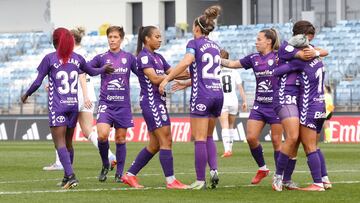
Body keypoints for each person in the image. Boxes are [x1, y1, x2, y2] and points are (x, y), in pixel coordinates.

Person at [21, 27, 113, 189]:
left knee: (60, 143)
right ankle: (66, 177)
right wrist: (104, 69)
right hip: (73, 105)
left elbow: (37, 82)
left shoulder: (49, 58)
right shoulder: (77, 58)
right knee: (69, 143)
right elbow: (91, 72)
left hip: (58, 106)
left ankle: (71, 176)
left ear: (55, 42)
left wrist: (26, 94)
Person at [159, 5, 223, 190]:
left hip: (202, 95)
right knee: (209, 136)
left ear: (196, 28)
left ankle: (200, 180)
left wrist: (167, 78)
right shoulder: (215, 47)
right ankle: (214, 171)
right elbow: (205, 73)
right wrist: (187, 83)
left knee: (200, 138)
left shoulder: (194, 43)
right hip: (217, 94)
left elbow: (187, 61)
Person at [120, 25, 188, 189]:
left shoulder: (159, 57)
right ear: (147, 39)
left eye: (160, 36)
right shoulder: (143, 57)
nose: (160, 39)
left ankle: (129, 175)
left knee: (155, 145)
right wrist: (170, 77)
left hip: (159, 102)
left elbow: (174, 73)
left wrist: (195, 73)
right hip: (152, 103)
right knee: (166, 140)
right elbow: (156, 79)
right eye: (157, 36)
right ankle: (171, 181)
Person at [42, 27, 117, 171]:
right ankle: (110, 155)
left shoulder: (71, 54)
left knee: (60, 128)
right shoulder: (85, 52)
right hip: (89, 93)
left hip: (75, 94)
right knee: (88, 130)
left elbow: (81, 75)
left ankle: (60, 162)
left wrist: (84, 95)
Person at [272, 20, 331, 191]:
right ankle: (324, 179)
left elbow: (276, 71)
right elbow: (323, 51)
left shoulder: (303, 57)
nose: (310, 42)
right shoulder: (316, 56)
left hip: (308, 104)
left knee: (306, 144)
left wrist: (283, 66)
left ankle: (317, 183)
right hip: (320, 104)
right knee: (308, 143)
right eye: (308, 39)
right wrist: (315, 51)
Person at [220, 28, 283, 185]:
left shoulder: (279, 56)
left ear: (269, 41)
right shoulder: (253, 58)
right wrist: (216, 59)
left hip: (276, 105)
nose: (256, 41)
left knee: (276, 141)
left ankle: (280, 175)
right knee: (251, 138)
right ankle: (262, 168)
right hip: (259, 105)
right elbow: (233, 64)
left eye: (259, 39)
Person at [86, 26, 137, 183]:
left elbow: (142, 73)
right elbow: (87, 68)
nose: (112, 39)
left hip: (123, 105)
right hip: (106, 104)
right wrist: (102, 69)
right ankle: (105, 163)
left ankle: (120, 172)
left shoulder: (128, 58)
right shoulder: (101, 57)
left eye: (115, 37)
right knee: (102, 135)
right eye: (110, 37)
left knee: (120, 139)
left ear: (121, 39)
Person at [218, 49, 247, 158]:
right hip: (233, 101)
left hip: (223, 101)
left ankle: (227, 150)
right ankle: (230, 148)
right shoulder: (234, 71)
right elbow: (240, 87)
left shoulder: (217, 71)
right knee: (231, 125)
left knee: (224, 125)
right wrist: (244, 101)